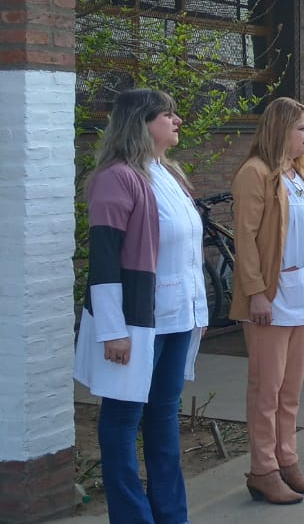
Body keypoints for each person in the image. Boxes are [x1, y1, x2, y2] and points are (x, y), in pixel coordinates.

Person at [72, 89, 207, 523]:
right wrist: (113, 330)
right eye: (168, 114)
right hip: (135, 324)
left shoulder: (169, 174)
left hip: (176, 318)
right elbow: (105, 258)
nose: (177, 120)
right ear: (141, 123)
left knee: (163, 420)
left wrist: (198, 311)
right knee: (122, 421)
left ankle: (171, 516)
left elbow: (187, 252)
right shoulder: (117, 178)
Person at [230, 97, 304, 503]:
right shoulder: (254, 173)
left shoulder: (298, 174)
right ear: (279, 130)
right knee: (266, 390)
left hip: (303, 295)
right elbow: (246, 239)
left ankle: (287, 459)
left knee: (290, 390)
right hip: (272, 299)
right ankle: (263, 469)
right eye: (301, 128)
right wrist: (256, 292)